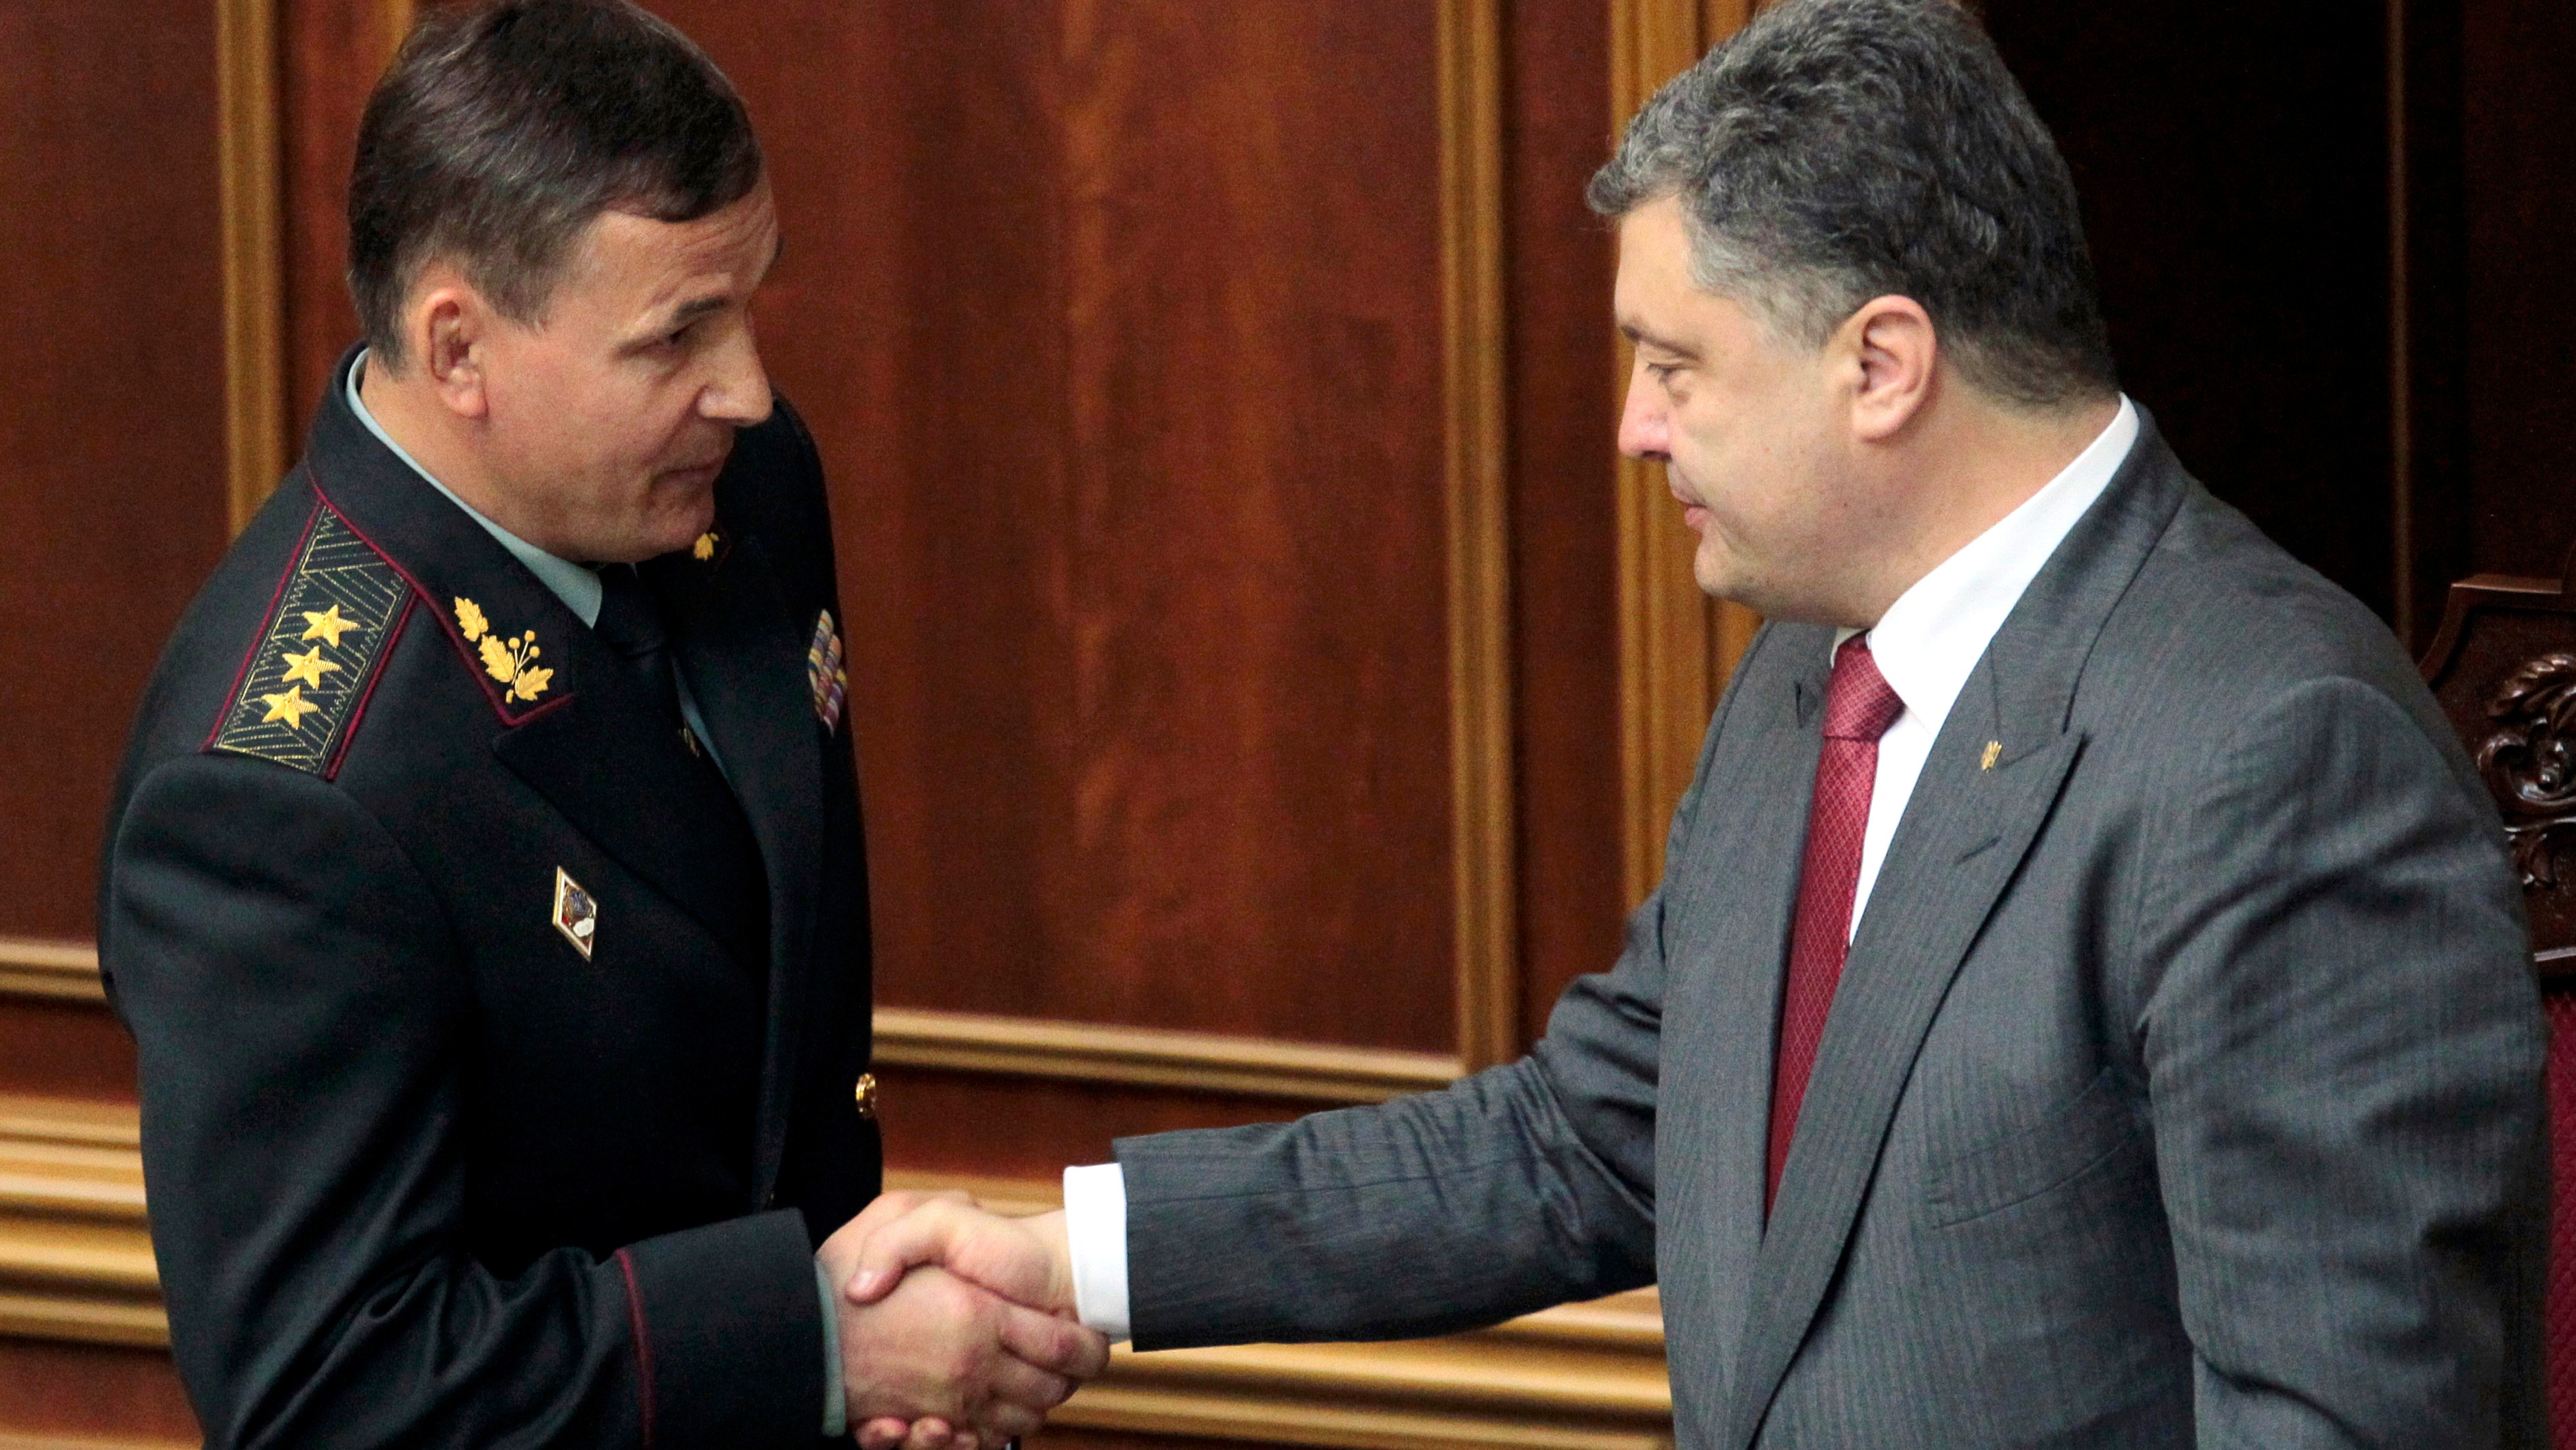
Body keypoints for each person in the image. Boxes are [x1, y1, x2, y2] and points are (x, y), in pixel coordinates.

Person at [837, 1, 2549, 1445]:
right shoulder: (1819, 667)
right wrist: (1070, 1260)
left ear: (1880, 365)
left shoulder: (2280, 756)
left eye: (1673, 364)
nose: (1635, 429)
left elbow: (2338, 1420)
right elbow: (1600, 1134)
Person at [97, 3, 1103, 1445]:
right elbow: (329, 1393)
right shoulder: (279, 794)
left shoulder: (734, 488)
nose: (746, 388)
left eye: (746, 305)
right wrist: (818, 1350)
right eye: (676, 334)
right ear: (459, 348)